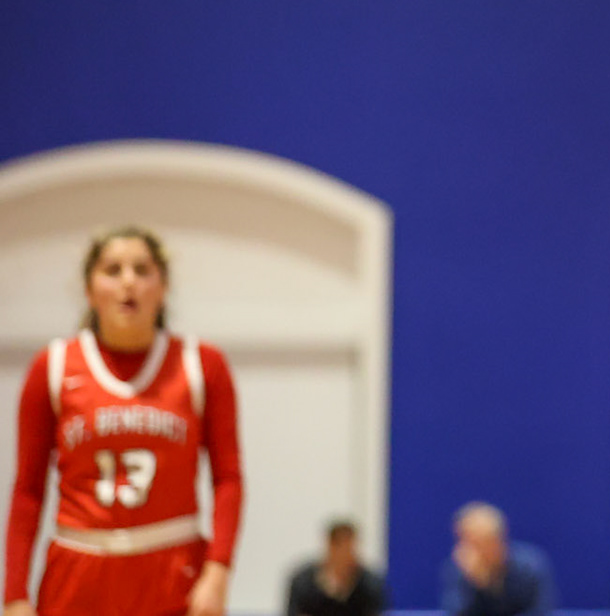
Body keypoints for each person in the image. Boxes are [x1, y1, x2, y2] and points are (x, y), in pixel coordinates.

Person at [3, 226, 243, 616]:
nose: (128, 281)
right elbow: (27, 491)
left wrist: (218, 570)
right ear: (89, 289)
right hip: (79, 569)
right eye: (112, 270)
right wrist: (14, 595)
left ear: (163, 286)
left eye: (142, 270)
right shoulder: (53, 367)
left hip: (172, 567)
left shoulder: (201, 365)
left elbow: (228, 478)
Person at [441, 503, 552, 616]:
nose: (468, 549)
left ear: (497, 540)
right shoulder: (459, 569)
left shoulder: (530, 565)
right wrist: (477, 582)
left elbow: (541, 610)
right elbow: (457, 612)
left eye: (478, 542)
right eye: (464, 540)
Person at [287, 520, 385, 616]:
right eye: (343, 549)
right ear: (331, 547)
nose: (349, 556)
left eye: (351, 550)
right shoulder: (303, 584)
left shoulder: (370, 586)